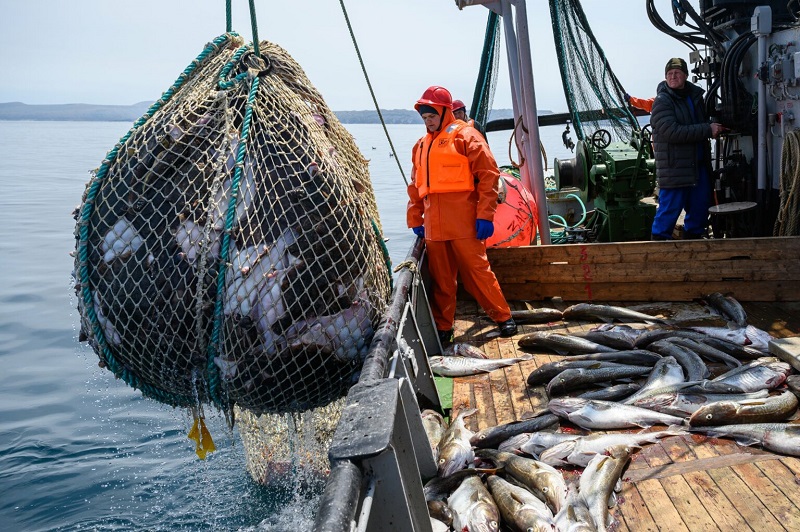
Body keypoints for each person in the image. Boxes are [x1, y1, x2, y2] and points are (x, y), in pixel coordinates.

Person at [406, 86, 517, 346]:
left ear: (445, 111)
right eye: (424, 117)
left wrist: (485, 216)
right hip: (434, 226)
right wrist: (415, 219)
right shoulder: (420, 146)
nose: (428, 120)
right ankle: (444, 327)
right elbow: (415, 186)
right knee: (442, 281)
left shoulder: (467, 136)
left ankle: (503, 317)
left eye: (431, 115)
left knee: (478, 272)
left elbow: (490, 176)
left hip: (465, 221)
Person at [650, 57, 726, 240]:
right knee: (668, 212)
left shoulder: (695, 97)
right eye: (669, 74)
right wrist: (707, 129)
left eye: (676, 73)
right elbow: (672, 132)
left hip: (698, 167)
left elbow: (700, 121)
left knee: (700, 208)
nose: (673, 76)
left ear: (685, 75)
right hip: (675, 169)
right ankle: (656, 251)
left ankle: (694, 247)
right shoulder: (662, 101)